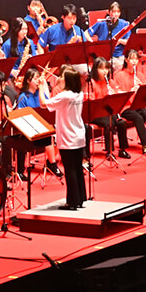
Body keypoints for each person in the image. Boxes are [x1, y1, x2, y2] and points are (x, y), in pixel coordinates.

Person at [45, 68, 87, 209]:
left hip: (68, 137)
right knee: (77, 168)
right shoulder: (79, 94)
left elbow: (44, 103)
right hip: (79, 135)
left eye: (62, 76)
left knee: (70, 170)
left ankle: (72, 202)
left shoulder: (65, 96)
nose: (59, 77)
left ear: (68, 79)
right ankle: (80, 199)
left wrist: (41, 86)